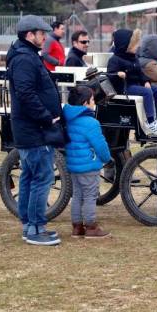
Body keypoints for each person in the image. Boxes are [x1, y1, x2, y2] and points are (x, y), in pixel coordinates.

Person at [6, 15, 63, 246]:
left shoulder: (26, 56)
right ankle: (35, 229)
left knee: (30, 177)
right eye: (41, 33)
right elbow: (26, 93)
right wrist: (47, 117)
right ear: (30, 35)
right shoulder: (25, 59)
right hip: (34, 129)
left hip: (30, 129)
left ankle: (31, 226)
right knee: (42, 178)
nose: (44, 37)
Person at [63, 86, 111, 239]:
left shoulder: (68, 119)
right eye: (92, 100)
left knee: (77, 195)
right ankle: (91, 226)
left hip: (73, 164)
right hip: (89, 165)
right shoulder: (91, 123)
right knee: (90, 195)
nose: (94, 102)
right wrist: (106, 158)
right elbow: (100, 145)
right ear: (85, 103)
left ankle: (77, 227)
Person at [107, 29, 157, 135]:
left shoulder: (133, 58)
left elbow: (140, 73)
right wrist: (118, 74)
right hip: (124, 87)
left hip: (136, 85)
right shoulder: (114, 60)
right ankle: (150, 121)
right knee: (146, 92)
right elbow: (110, 75)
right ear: (126, 45)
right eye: (135, 44)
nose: (138, 46)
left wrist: (146, 81)